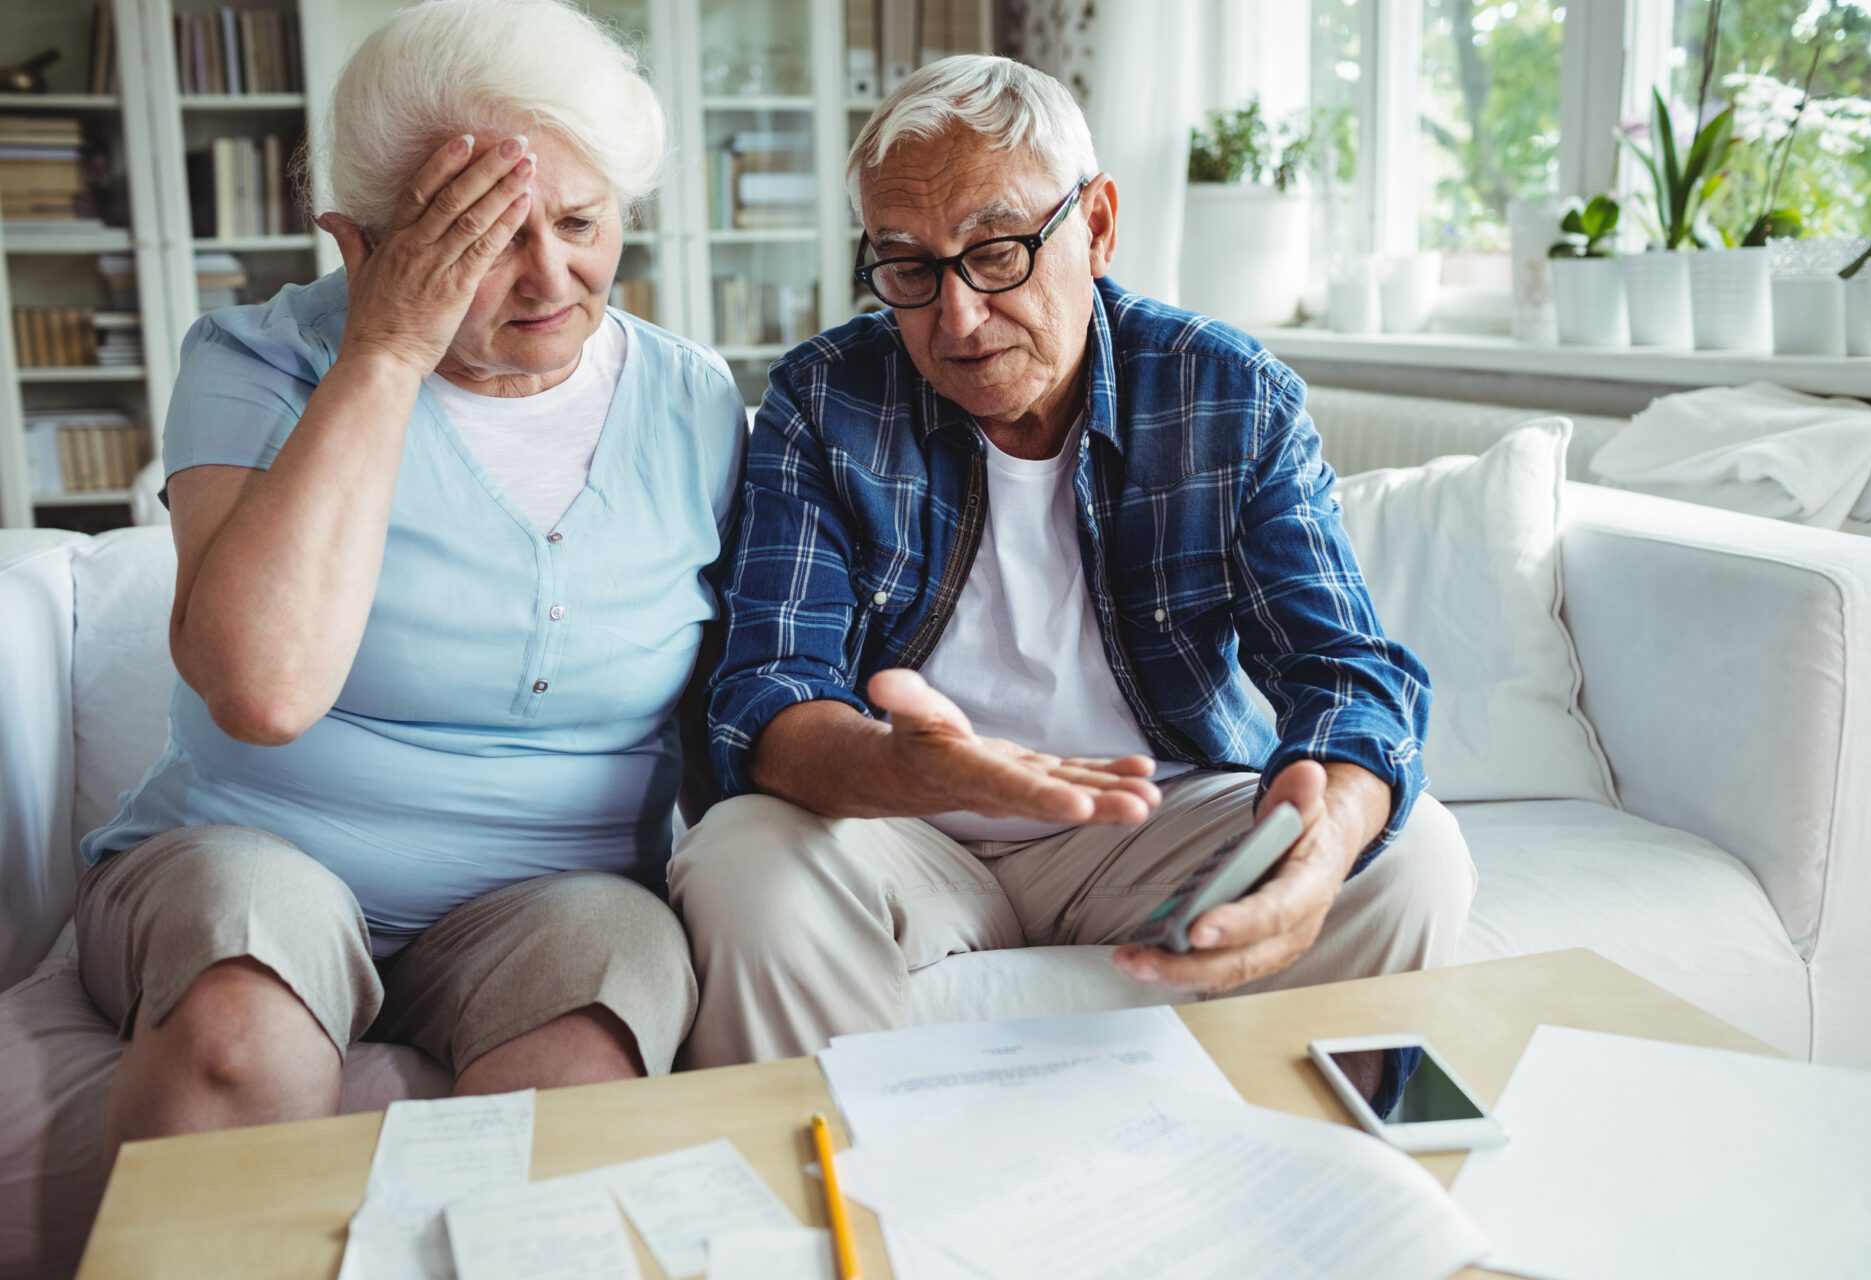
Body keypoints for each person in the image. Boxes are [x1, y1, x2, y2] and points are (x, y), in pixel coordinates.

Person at [671, 56, 1475, 1090]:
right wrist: (912, 769)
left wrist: (1328, 845)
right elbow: (766, 691)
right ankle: (832, 1223)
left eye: (996, 253)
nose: (955, 319)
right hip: (903, 829)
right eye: (908, 267)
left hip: (1150, 820)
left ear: (1094, 227)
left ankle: (1303, 1200)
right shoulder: (827, 398)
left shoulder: (1224, 392)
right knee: (744, 859)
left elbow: (1349, 671)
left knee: (1413, 854)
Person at [76, 0, 744, 1163]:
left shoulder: (694, 400)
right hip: (251, 852)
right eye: (485, 240)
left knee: (602, 1000)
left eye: (582, 222)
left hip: (558, 897)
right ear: (364, 242)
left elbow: (728, 693)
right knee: (245, 972)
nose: (549, 278)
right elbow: (261, 689)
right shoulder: (256, 360)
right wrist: (387, 349)